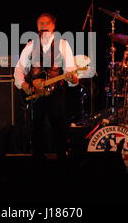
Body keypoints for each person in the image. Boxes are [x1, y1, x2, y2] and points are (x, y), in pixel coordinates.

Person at [14, 13, 79, 162]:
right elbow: (19, 69)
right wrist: (23, 85)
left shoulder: (63, 44)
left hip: (56, 93)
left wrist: (73, 78)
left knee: (59, 128)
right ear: (37, 26)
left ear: (53, 25)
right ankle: (38, 162)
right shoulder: (31, 45)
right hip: (36, 94)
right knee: (36, 129)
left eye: (46, 23)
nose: (43, 27)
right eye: (40, 24)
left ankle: (63, 161)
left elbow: (71, 72)